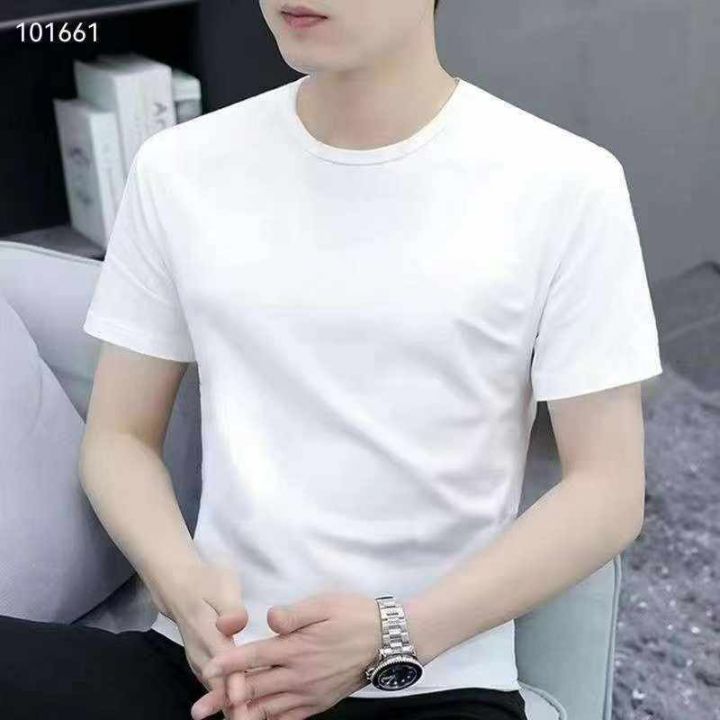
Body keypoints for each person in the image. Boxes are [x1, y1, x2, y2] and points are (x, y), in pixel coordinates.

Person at [1, 0, 664, 718]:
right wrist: (180, 585)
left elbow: (607, 490)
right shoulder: (178, 167)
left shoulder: (567, 184)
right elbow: (119, 438)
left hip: (427, 680)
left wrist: (393, 635)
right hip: (211, 671)